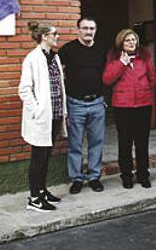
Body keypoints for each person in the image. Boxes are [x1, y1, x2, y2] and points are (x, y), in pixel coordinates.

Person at [18, 21, 69, 212]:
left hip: (55, 116)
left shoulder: (54, 58)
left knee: (47, 156)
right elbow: (24, 90)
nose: (57, 37)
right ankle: (33, 198)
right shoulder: (31, 59)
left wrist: (63, 112)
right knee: (38, 159)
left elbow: (59, 87)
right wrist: (37, 110)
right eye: (54, 34)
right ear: (44, 37)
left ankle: (42, 190)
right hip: (41, 118)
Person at [58, 16, 108, 194]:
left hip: (96, 102)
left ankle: (94, 177)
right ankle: (77, 178)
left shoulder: (102, 49)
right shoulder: (68, 50)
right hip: (75, 103)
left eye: (91, 28)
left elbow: (108, 75)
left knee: (97, 141)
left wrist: (104, 98)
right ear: (78, 29)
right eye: (85, 28)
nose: (88, 32)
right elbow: (58, 73)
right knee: (75, 143)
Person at [103, 28, 156, 189]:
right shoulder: (114, 58)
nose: (132, 43)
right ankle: (126, 175)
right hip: (123, 107)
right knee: (125, 143)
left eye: (134, 40)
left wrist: (144, 90)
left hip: (143, 105)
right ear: (121, 43)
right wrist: (122, 63)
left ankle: (143, 174)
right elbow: (107, 79)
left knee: (142, 142)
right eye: (128, 40)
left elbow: (152, 78)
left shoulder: (144, 57)